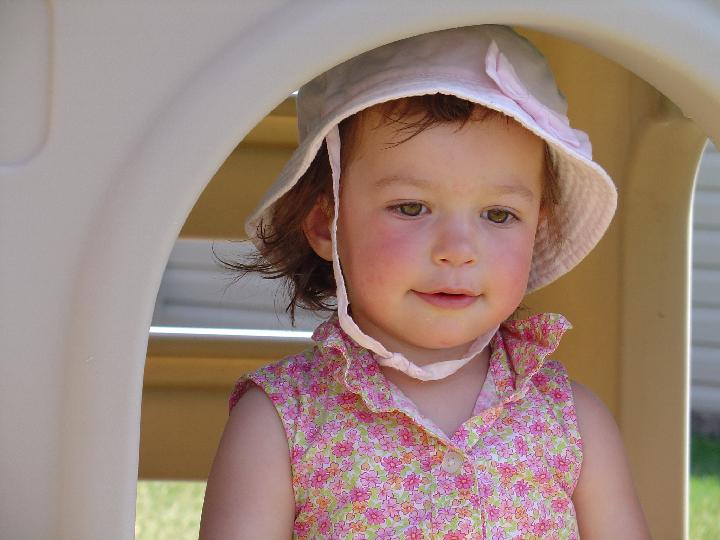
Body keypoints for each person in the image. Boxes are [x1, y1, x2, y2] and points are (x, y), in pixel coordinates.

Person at [199, 25, 651, 539]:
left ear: (537, 229)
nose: (457, 250)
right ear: (327, 223)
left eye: (498, 214)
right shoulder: (283, 423)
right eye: (411, 208)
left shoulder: (571, 422)